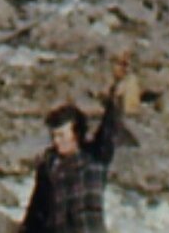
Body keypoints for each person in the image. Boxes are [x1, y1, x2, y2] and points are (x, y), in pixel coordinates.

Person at [20, 62, 130, 233]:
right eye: (54, 136)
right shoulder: (49, 167)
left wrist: (116, 92)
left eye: (62, 135)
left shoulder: (94, 158)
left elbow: (110, 126)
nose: (57, 142)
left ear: (77, 134)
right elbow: (36, 212)